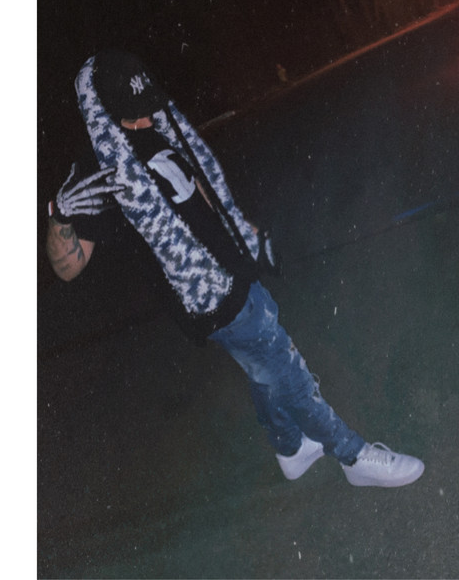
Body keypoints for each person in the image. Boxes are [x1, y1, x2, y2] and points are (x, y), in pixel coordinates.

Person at [45, 49, 425, 487]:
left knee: (264, 366)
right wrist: (60, 217)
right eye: (134, 114)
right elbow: (68, 268)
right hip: (206, 293)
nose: (147, 118)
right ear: (106, 112)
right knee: (285, 368)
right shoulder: (101, 170)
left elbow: (198, 191)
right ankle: (352, 456)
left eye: (147, 106)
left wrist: (245, 233)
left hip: (234, 268)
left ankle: (291, 448)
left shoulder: (156, 126)